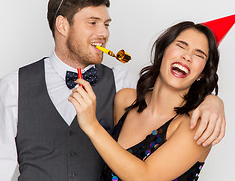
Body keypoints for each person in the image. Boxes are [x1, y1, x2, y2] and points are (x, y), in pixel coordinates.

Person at [0, 0, 226, 181]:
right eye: (93, 23)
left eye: (107, 24)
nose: (104, 33)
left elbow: (172, 97)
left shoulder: (122, 83)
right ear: (62, 25)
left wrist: (213, 102)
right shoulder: (12, 87)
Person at [69, 21, 223, 180]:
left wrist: (92, 125)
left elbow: (146, 177)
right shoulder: (125, 100)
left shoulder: (197, 126)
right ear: (163, 51)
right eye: (181, 46)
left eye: (199, 54)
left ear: (202, 74)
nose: (187, 56)